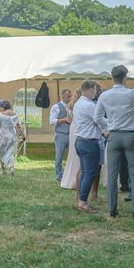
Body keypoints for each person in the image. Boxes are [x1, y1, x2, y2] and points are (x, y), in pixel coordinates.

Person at [94, 65, 134, 218]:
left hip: (113, 136)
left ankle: (112, 210)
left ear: (112, 78)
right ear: (125, 78)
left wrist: (106, 128)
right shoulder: (132, 93)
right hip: (130, 136)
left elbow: (97, 117)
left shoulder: (104, 95)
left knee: (112, 174)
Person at [73, 80, 106, 213]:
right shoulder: (89, 105)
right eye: (94, 90)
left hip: (80, 140)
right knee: (90, 173)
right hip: (89, 142)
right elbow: (101, 121)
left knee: (85, 172)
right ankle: (83, 202)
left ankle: (81, 199)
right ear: (89, 90)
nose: (95, 93)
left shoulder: (78, 103)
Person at [0, 99, 23, 176]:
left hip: (1, 134)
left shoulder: (0, 114)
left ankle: (3, 170)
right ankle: (11, 167)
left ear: (2, 106)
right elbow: (19, 125)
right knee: (10, 151)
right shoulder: (15, 114)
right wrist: (22, 134)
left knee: (0, 152)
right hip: (12, 134)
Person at [50, 89, 73, 182]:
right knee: (59, 156)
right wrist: (64, 120)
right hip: (61, 134)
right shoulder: (56, 107)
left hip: (71, 134)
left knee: (72, 156)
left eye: (71, 96)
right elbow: (52, 121)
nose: (70, 98)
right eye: (69, 96)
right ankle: (59, 176)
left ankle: (69, 175)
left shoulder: (72, 107)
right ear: (63, 96)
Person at [60, 90, 81, 191]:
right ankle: (77, 180)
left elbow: (69, 119)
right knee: (77, 153)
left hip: (72, 128)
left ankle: (68, 179)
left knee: (72, 152)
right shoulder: (81, 105)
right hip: (79, 127)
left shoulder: (70, 105)